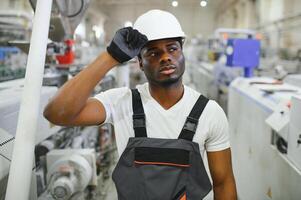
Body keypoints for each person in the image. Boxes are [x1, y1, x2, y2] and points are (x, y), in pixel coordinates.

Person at [44, 9, 237, 200]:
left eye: (172, 48)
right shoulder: (121, 103)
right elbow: (56, 113)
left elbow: (224, 183)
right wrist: (110, 57)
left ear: (182, 53)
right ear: (140, 63)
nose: (165, 57)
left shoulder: (209, 113)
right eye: (153, 53)